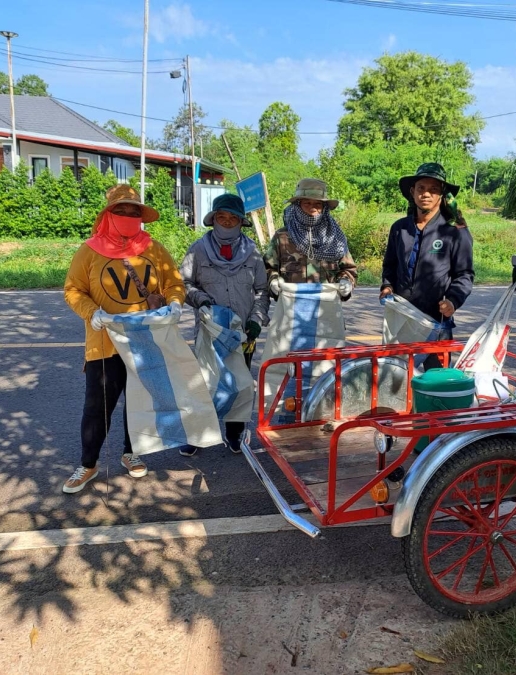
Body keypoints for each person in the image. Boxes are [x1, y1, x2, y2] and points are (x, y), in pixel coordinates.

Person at [62, 184, 186, 493]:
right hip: (105, 341)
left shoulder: (154, 248)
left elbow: (173, 281)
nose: (129, 216)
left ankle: (132, 452)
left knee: (140, 400)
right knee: (97, 406)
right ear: (108, 214)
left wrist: (175, 304)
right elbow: (73, 289)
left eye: (135, 212)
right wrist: (92, 312)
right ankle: (88, 464)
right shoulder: (89, 250)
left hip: (146, 340)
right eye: (122, 211)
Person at [179, 193, 269, 456]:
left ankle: (234, 433)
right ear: (213, 219)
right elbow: (183, 284)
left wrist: (256, 321)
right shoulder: (197, 250)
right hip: (209, 331)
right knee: (204, 383)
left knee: (240, 384)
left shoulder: (252, 253)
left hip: (242, 334)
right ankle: (197, 435)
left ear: (241, 222)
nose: (227, 222)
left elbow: (262, 291)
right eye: (222, 217)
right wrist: (201, 299)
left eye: (233, 218)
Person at [380, 163, 474, 370]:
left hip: (436, 321)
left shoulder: (455, 230)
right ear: (412, 192)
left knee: (436, 382)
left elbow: (464, 274)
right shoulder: (400, 228)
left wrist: (453, 300)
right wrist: (387, 286)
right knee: (397, 377)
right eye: (421, 188)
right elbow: (390, 265)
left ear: (442, 195)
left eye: (433, 190)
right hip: (402, 319)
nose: (426, 194)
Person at [264, 178, 357, 297]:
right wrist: (273, 281)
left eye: (318, 204)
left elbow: (349, 269)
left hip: (326, 306)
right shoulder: (282, 237)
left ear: (324, 207)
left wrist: (346, 281)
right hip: (291, 305)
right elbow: (268, 268)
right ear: (298, 205)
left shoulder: (335, 237)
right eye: (307, 203)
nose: (312, 208)